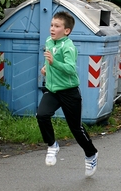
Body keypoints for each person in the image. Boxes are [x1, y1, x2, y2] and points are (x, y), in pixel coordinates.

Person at [36, 11, 99, 177]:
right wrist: (46, 69)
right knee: (42, 115)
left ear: (66, 31)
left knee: (76, 129)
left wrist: (53, 63)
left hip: (69, 92)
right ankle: (52, 145)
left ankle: (91, 153)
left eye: (57, 26)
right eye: (51, 25)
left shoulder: (68, 47)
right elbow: (49, 61)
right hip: (53, 90)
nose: (52, 29)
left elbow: (71, 69)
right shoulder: (49, 41)